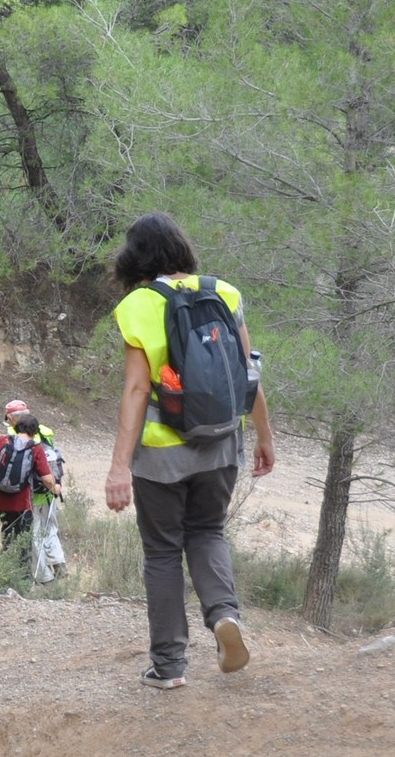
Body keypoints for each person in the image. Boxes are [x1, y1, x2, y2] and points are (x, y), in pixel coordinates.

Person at [103, 213, 278, 689]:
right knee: (207, 532)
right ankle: (224, 615)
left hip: (161, 454)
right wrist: (264, 436)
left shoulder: (138, 305)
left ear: (135, 256)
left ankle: (168, 666)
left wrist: (119, 468)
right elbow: (247, 373)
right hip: (221, 444)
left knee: (162, 552)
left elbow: (137, 390)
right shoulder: (225, 292)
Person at [0, 409, 60, 557]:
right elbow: (47, 479)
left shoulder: (1, 440)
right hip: (20, 503)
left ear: (16, 427)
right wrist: (56, 488)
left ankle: (5, 560)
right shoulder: (35, 448)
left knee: (8, 530)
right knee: (24, 541)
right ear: (35, 432)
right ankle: (21, 568)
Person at [6, 398, 68, 574]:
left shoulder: (13, 435)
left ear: (10, 418)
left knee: (33, 535)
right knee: (50, 529)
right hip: (50, 490)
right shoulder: (44, 432)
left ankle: (44, 576)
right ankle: (59, 565)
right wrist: (55, 485)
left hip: (29, 494)